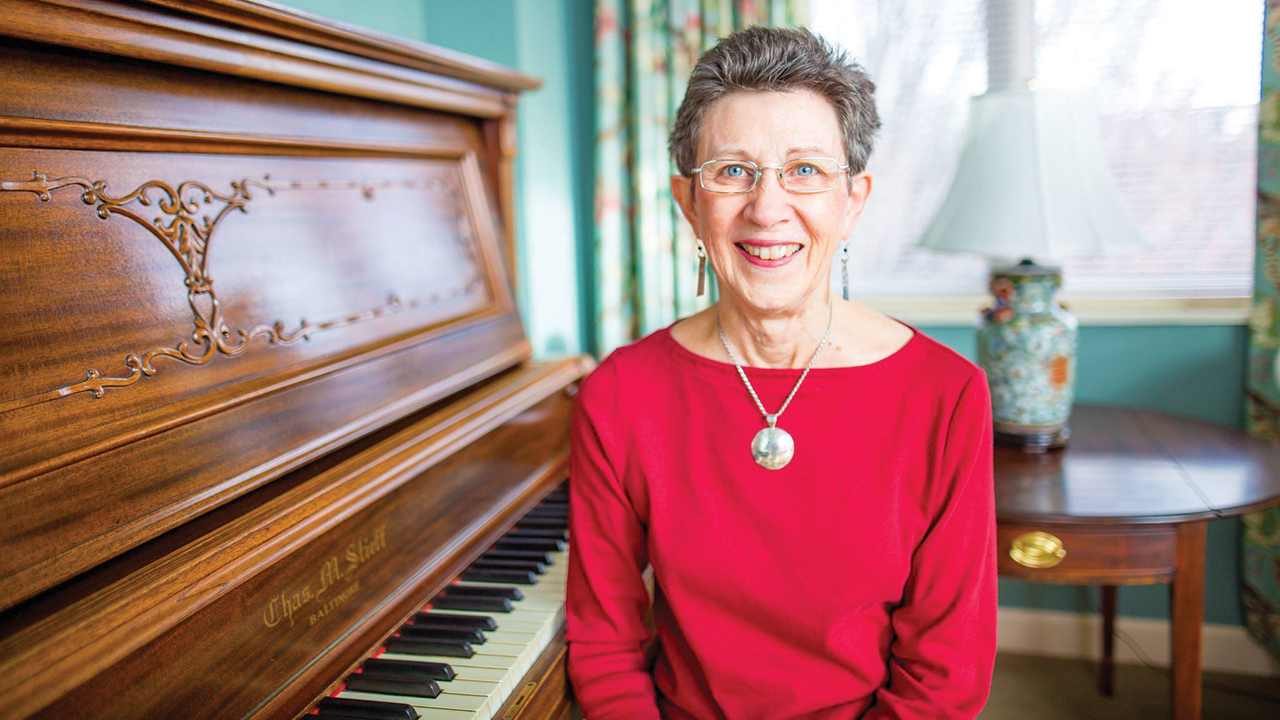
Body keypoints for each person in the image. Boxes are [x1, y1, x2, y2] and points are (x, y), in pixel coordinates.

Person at [565, 26, 996, 719]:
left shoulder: (945, 395)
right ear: (689, 203)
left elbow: (945, 673)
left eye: (805, 171)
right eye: (733, 171)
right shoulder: (620, 394)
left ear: (852, 201)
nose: (767, 209)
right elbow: (604, 645)